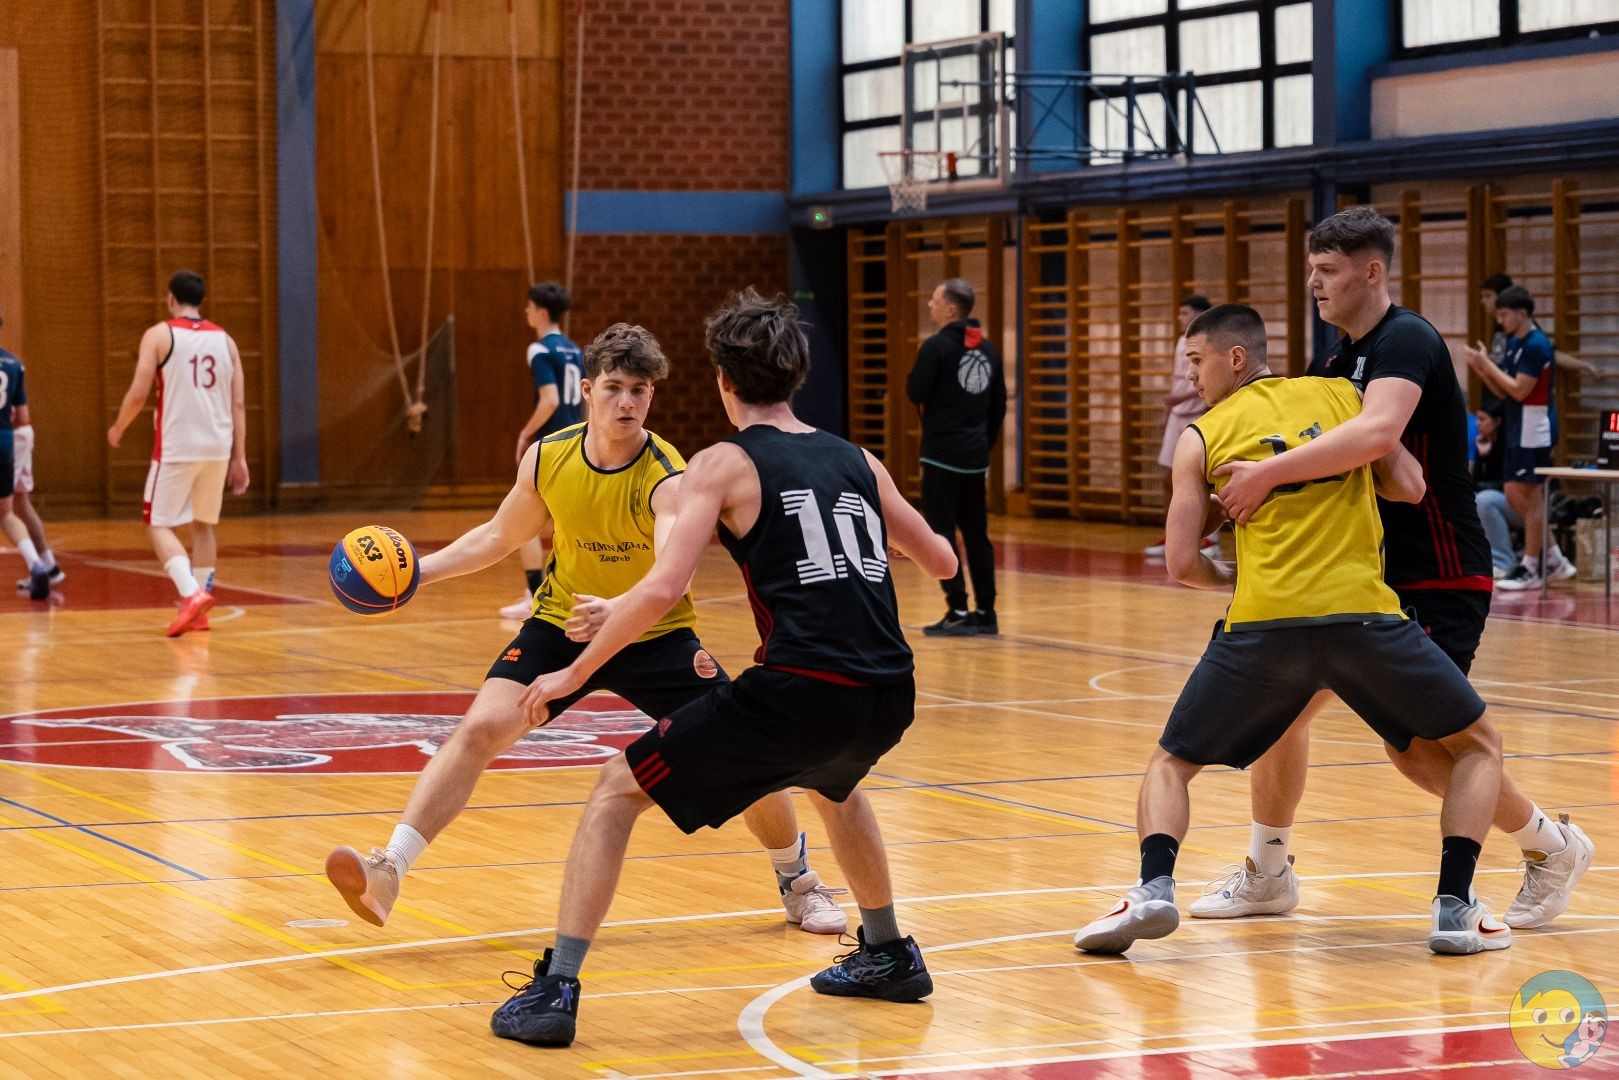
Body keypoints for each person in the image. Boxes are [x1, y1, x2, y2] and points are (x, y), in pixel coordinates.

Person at [486, 289, 958, 1048]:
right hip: (887, 690)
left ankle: (554, 989)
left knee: (615, 792)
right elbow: (940, 560)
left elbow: (662, 590)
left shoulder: (721, 464)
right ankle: (888, 951)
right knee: (835, 782)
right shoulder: (857, 460)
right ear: (797, 374)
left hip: (799, 690)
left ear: (722, 380)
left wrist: (571, 675)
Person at [326, 321, 847, 939]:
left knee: (744, 752)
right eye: (615, 387)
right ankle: (389, 869)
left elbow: (672, 573)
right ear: (588, 391)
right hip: (562, 624)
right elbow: (499, 535)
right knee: (480, 729)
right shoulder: (549, 457)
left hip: (653, 635)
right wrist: (417, 573)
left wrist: (619, 607)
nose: (627, 402)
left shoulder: (668, 474)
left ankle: (798, 882)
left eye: (640, 390)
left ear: (652, 396)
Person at [1073, 303, 1512, 957]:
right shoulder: (1343, 398)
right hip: (1362, 617)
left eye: (1194, 361)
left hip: (1264, 625)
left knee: (1171, 764)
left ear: (1235, 358)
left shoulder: (1201, 437)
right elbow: (1411, 487)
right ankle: (1454, 908)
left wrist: (1242, 572)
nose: (1189, 376)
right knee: (1478, 746)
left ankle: (1152, 888)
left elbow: (1180, 563)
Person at [1194, 208, 1591, 930]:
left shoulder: (1406, 338)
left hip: (1437, 569)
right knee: (1279, 712)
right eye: (1310, 270)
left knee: (1421, 750)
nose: (1313, 283)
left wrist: (1268, 473)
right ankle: (1268, 869)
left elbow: (1378, 434)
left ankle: (1550, 845)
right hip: (1358, 577)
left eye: (1327, 270)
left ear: (1371, 271)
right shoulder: (1331, 365)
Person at [107, 270, 249, 636]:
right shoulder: (226, 341)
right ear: (201, 300)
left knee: (158, 523)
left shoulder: (159, 334)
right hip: (218, 446)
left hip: (177, 445)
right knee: (203, 525)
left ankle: (191, 594)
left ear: (171, 299)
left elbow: (139, 393)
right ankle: (200, 608)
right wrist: (240, 457)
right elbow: (238, 404)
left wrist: (119, 426)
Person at [907, 278, 1005, 636]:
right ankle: (987, 613)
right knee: (977, 534)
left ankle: (958, 609)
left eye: (934, 301)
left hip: (941, 456)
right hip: (974, 457)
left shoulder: (936, 348)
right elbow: (998, 405)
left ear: (951, 309)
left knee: (941, 531)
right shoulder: (988, 350)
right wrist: (981, 443)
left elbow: (915, 390)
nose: (929, 305)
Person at [1466, 285, 1573, 590]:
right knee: (1514, 495)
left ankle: (1531, 566)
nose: (1500, 321)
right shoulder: (1515, 343)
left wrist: (1489, 365)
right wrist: (1483, 370)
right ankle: (1554, 558)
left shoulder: (1537, 345)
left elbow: (1520, 390)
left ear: (1522, 313)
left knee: (1529, 495)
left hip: (1533, 428)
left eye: (1504, 314)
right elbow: (1503, 393)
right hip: (1516, 425)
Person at [502, 282, 587, 621]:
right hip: (577, 442)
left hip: (552, 445)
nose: (526, 311)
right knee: (566, 523)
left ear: (540, 311)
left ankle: (534, 594)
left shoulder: (539, 350)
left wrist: (525, 434)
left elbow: (550, 399)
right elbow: (586, 400)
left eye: (529, 306)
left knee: (523, 522)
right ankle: (567, 593)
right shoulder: (575, 350)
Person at [1469, 273, 1599, 413]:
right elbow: (1504, 389)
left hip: (1530, 414)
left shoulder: (1533, 343)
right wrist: (1482, 369)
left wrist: (1584, 365)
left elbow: (1519, 391)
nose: (1483, 301)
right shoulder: (1509, 336)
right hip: (1507, 408)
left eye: (1488, 296)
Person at [1144, 295, 1213, 558]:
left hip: (1197, 414)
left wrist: (1181, 400)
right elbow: (1179, 384)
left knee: (1199, 480)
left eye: (1185, 313)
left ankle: (1207, 539)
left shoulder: (1209, 342)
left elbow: (1208, 381)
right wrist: (1168, 412)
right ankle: (1171, 536)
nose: (1180, 318)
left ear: (1200, 315)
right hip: (1177, 415)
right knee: (1168, 479)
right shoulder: (1180, 342)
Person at [0, 317, 54, 600]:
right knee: (6, 513)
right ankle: (37, 564)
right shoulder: (14, 363)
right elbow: (22, 416)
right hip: (5, 441)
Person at [1472, 404, 1520, 578]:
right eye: (1477, 419)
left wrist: (1481, 487)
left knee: (1484, 501)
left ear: (1497, 421)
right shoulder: (1484, 444)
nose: (1478, 424)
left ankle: (1503, 562)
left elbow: (1505, 484)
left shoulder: (1510, 445)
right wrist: (1482, 457)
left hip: (1521, 505)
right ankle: (1473, 559)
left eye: (1482, 419)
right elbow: (1474, 482)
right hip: (1496, 498)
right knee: (1465, 500)